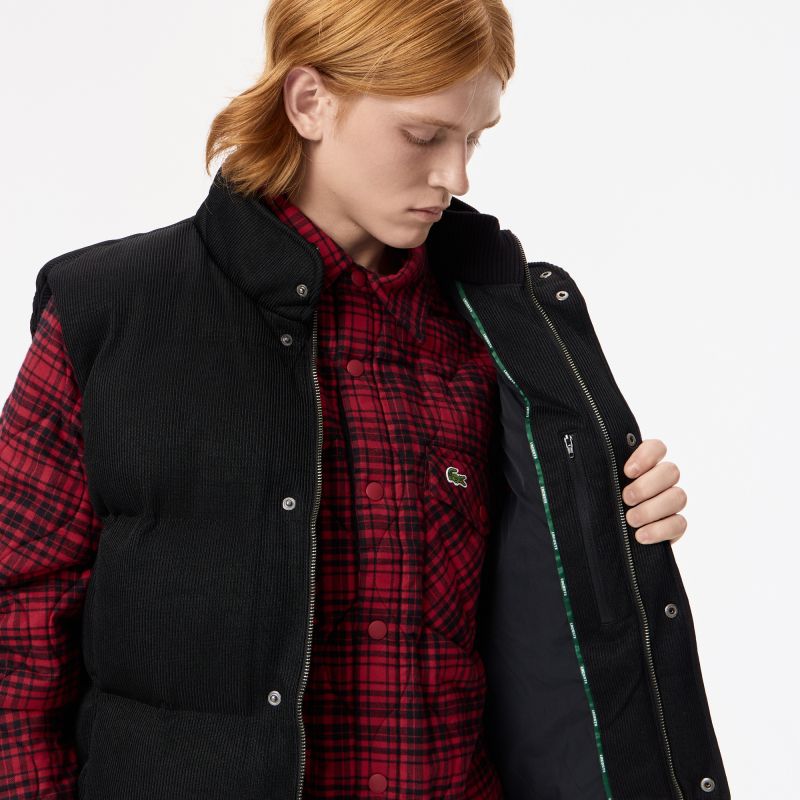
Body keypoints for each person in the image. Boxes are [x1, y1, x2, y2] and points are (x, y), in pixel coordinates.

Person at [0, 1, 730, 798]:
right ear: (309, 102)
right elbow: (18, 623)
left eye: (474, 139)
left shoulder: (506, 323)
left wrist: (615, 518)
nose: (456, 177)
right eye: (424, 135)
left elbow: (557, 631)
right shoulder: (110, 312)